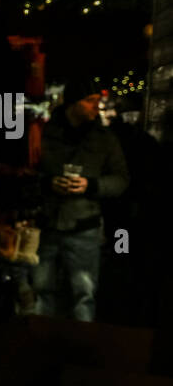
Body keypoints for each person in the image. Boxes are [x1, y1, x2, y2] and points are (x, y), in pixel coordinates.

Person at [32, 78, 129, 321]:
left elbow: (121, 180)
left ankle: (81, 349)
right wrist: (47, 183)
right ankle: (41, 346)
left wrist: (91, 185)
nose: (96, 106)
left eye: (98, 101)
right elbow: (27, 172)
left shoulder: (105, 139)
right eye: (90, 101)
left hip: (84, 226)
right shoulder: (45, 133)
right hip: (47, 224)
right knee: (42, 291)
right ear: (73, 103)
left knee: (84, 294)